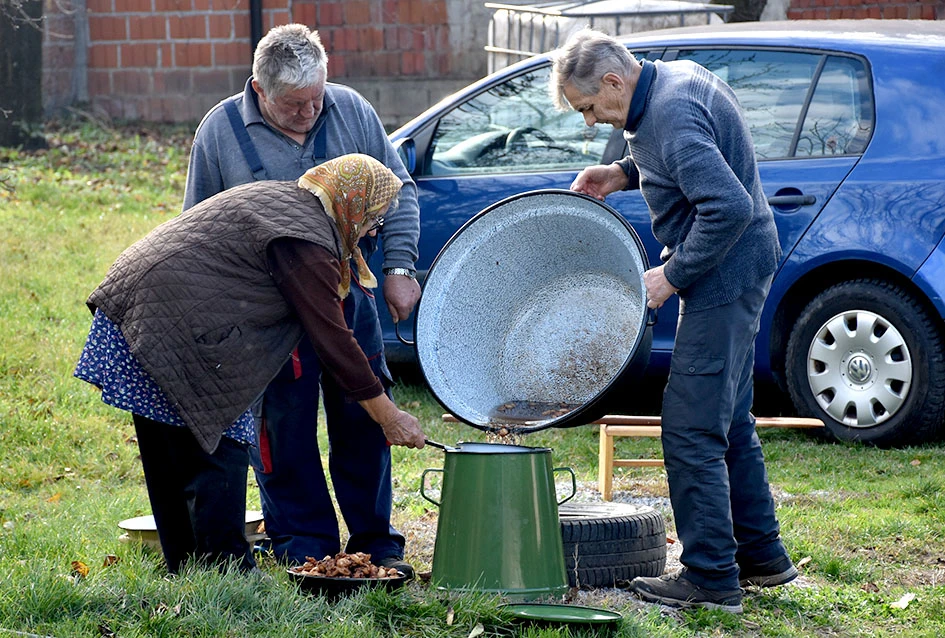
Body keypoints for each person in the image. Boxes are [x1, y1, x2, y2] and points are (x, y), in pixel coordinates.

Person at [74, 154, 426, 575]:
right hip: (168, 322)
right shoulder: (307, 240)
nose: (373, 231)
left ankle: (187, 568)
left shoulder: (293, 202)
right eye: (374, 218)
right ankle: (225, 572)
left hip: (138, 309)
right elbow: (333, 341)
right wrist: (389, 417)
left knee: (171, 450)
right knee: (216, 442)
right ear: (353, 204)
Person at [550, 28, 796, 613]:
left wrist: (673, 274)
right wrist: (622, 172)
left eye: (589, 108)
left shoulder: (670, 115)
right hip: (741, 267)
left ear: (614, 81)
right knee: (727, 417)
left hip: (722, 277)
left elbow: (728, 205)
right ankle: (761, 555)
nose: (591, 122)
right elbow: (684, 159)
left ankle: (710, 579)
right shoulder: (670, 82)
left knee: (689, 428)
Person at [181, 24, 423, 575]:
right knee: (281, 431)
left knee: (364, 416)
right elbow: (197, 229)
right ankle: (304, 545)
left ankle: (375, 541)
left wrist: (398, 268)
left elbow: (398, 188)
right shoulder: (220, 131)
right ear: (258, 89)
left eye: (317, 98)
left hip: (349, 290)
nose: (310, 112)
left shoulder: (350, 109)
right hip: (266, 313)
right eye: (294, 104)